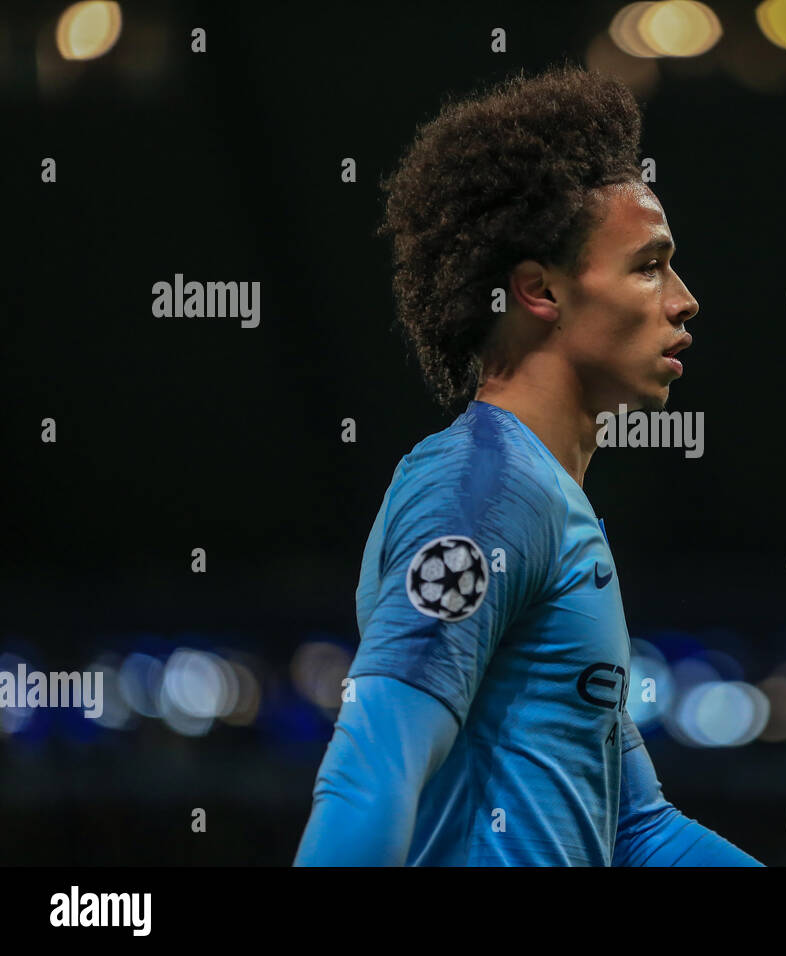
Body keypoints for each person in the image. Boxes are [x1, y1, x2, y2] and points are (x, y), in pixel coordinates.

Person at [293, 63, 761, 866]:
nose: (683, 299)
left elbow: (634, 828)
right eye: (648, 266)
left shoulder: (550, 501)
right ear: (540, 291)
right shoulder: (482, 494)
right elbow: (370, 778)